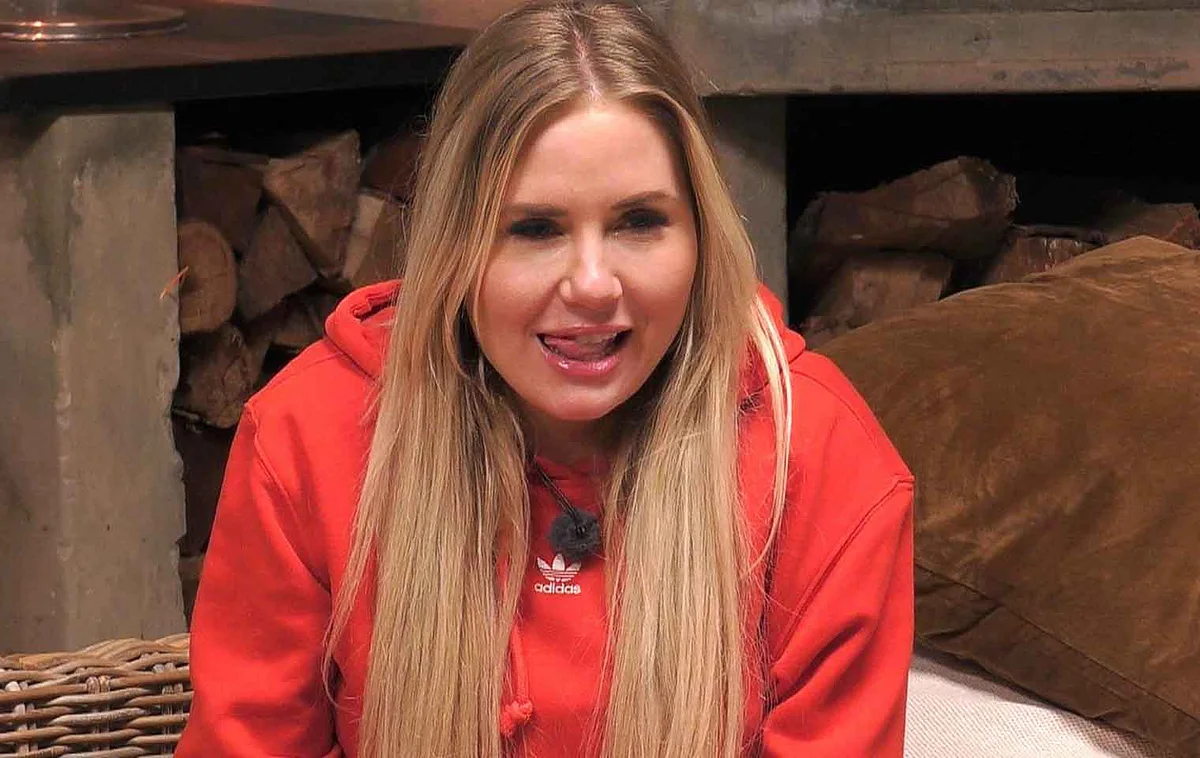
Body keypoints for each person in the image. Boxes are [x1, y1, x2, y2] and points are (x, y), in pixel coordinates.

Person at [176, 0, 915, 755]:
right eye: (534, 228)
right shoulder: (307, 434)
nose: (592, 285)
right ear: (455, 245)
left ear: (701, 233)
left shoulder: (819, 457)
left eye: (639, 221)